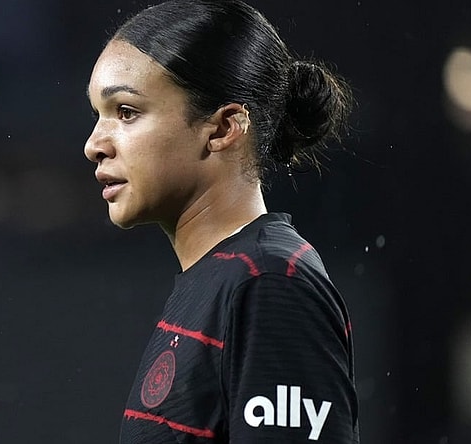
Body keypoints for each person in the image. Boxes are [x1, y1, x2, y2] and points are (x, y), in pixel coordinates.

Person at [83, 0, 359, 442]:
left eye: (127, 112)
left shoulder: (269, 282)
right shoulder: (222, 280)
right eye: (98, 115)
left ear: (223, 128)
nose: (94, 144)